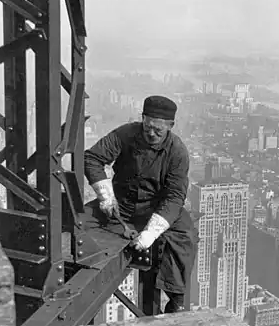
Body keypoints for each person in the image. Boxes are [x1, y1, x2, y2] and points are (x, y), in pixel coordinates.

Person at [84, 95, 198, 314]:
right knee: (77, 221)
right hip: (121, 204)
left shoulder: (177, 152)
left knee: (185, 236)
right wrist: (105, 196)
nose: (151, 133)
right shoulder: (125, 134)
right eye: (148, 127)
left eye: (158, 130)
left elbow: (174, 197)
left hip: (156, 209)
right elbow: (93, 158)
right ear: (142, 119)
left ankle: (176, 298)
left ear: (170, 127)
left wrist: (150, 234)